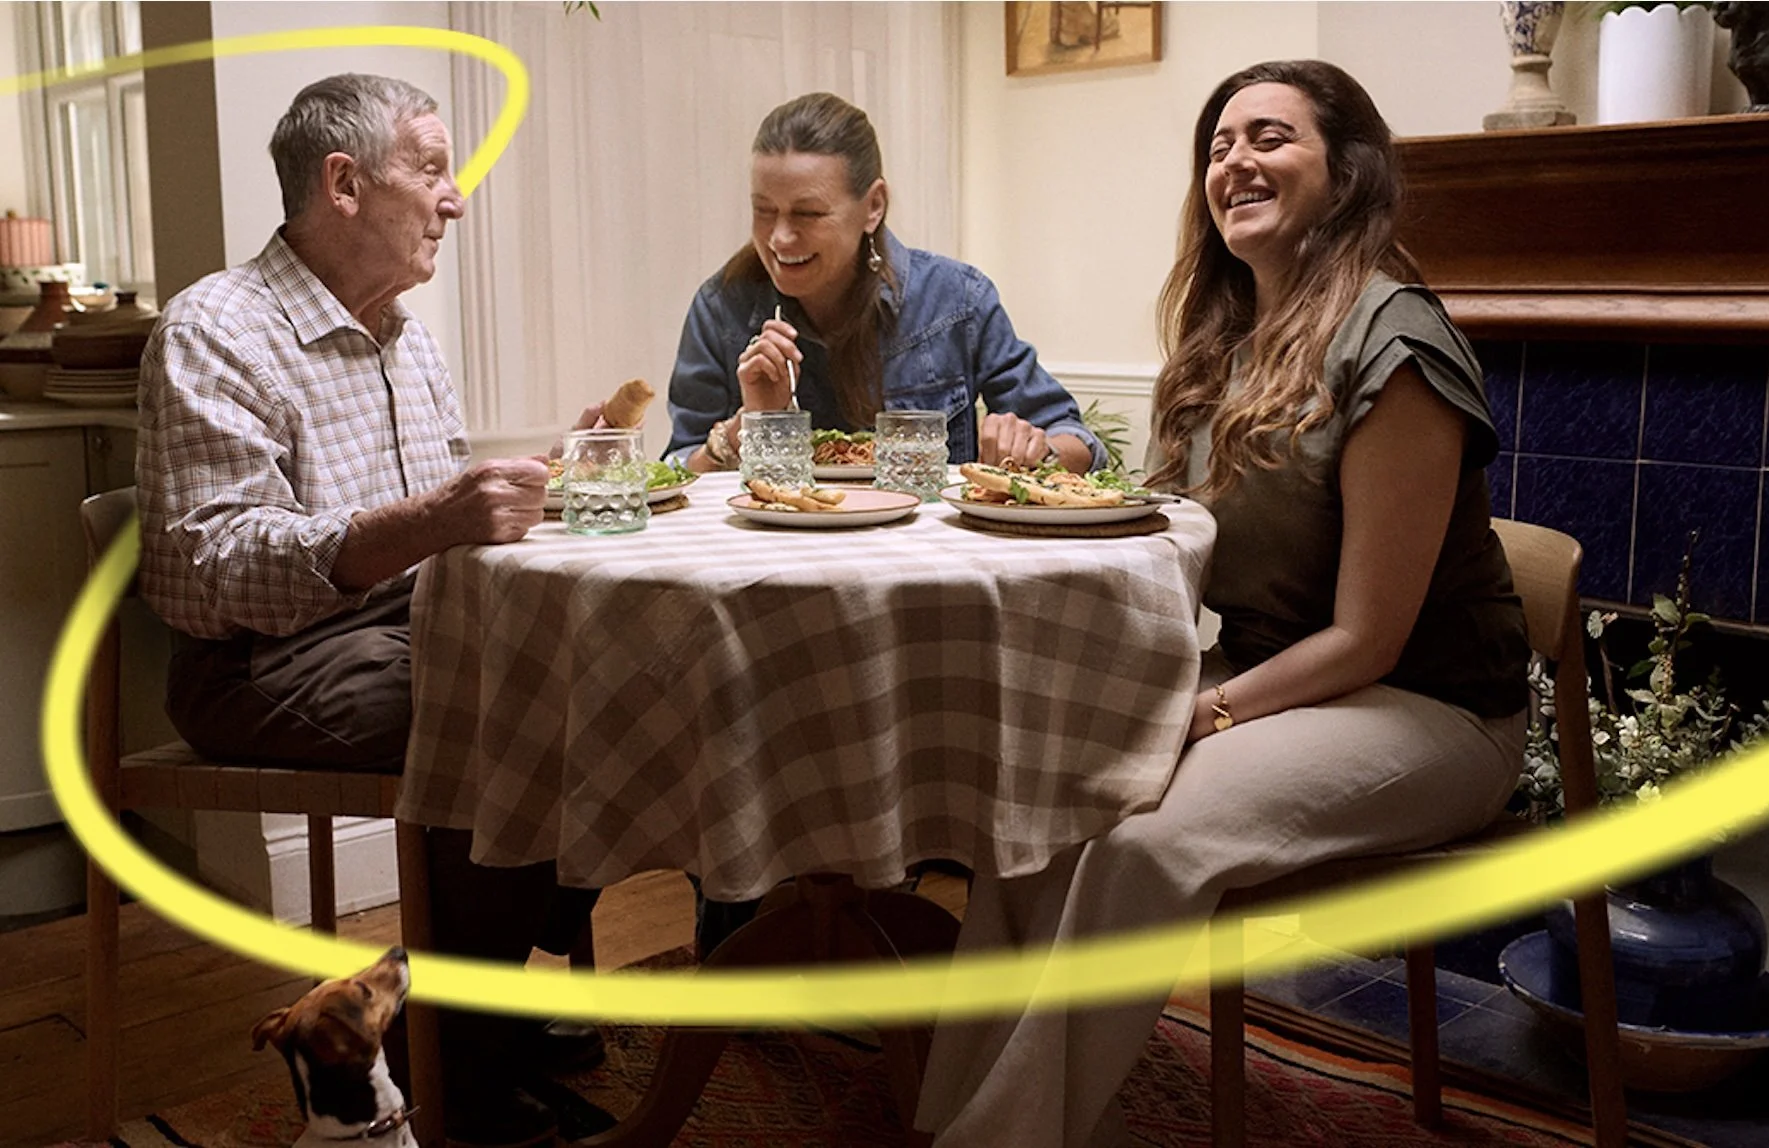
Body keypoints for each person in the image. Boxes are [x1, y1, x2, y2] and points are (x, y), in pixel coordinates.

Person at [912, 60, 1532, 1148]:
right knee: (1041, 805)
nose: (1235, 161)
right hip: (1280, 682)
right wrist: (1046, 479)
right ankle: (962, 1116)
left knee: (1143, 846)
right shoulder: (1229, 346)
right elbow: (1167, 529)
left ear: (1345, 173)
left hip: (1428, 706)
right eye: (1218, 145)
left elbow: (1368, 636)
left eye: (1269, 137)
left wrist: (1209, 710)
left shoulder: (1396, 346)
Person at [136, 74, 614, 1148]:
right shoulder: (214, 329)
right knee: (505, 714)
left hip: (406, 630)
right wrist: (434, 519)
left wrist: (542, 481)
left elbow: (435, 530)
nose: (455, 199)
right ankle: (466, 1066)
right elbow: (214, 569)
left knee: (606, 672)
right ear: (344, 183)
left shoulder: (406, 336)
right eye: (432, 169)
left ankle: (481, 1002)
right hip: (258, 663)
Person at [664, 90, 1104, 477]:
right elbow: (677, 470)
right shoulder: (720, 308)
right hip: (775, 547)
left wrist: (1037, 450)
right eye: (764, 210)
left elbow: (1076, 440)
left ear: (873, 206)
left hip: (929, 546)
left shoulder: (958, 299)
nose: (779, 237)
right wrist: (741, 433)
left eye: (808, 213)